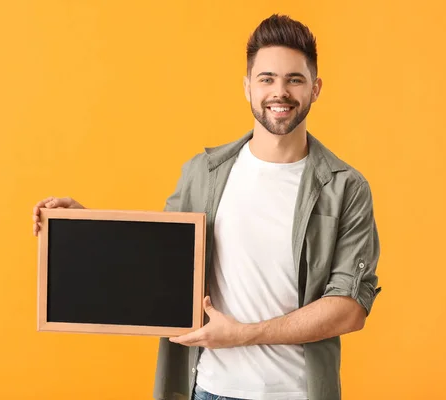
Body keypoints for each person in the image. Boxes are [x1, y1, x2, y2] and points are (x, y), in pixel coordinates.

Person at [32, 14, 382, 400]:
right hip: (210, 389)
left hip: (297, 392)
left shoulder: (346, 188)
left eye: (294, 79)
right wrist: (85, 225)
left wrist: (243, 336)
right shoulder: (204, 173)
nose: (279, 92)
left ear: (315, 89)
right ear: (248, 86)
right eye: (266, 78)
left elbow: (349, 309)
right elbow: (159, 260)